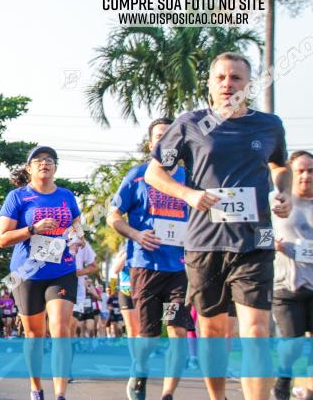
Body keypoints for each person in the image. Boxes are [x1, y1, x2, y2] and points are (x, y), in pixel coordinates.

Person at [145, 52, 292, 400]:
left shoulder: (269, 125)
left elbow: (280, 166)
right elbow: (154, 173)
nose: (228, 84)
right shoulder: (190, 123)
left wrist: (282, 192)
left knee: (256, 332)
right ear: (210, 85)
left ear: (249, 85)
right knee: (213, 332)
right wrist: (189, 195)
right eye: (222, 78)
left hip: (256, 240)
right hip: (204, 242)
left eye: (236, 78)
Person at [109, 117, 192, 400]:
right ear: (151, 144)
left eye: (170, 135)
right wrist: (135, 234)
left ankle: (168, 394)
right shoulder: (138, 175)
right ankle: (140, 371)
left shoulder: (190, 178)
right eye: (159, 136)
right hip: (145, 268)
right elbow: (114, 216)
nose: (165, 140)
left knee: (178, 330)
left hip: (180, 270)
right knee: (149, 338)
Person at [0, 146, 86, 400]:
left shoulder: (67, 196)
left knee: (60, 327)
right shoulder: (17, 197)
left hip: (62, 270)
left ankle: (60, 394)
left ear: (56, 167)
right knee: (34, 334)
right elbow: (2, 239)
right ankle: (36, 388)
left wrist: (77, 239)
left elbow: (77, 229)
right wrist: (32, 229)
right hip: (27, 273)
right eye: (38, 161)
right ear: (29, 168)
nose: (44, 164)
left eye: (49, 160)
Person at [272, 150, 313, 400]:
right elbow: (257, 233)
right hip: (286, 288)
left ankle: (307, 389)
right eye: (300, 171)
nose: (306, 176)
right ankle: (283, 379)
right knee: (292, 345)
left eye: (311, 171)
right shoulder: (276, 201)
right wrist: (271, 244)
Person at [74, 241, 98, 338]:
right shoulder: (53, 235)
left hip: (77, 293)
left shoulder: (82, 242)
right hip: (57, 287)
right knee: (57, 324)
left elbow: (93, 266)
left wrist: (80, 272)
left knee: (72, 325)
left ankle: (68, 350)